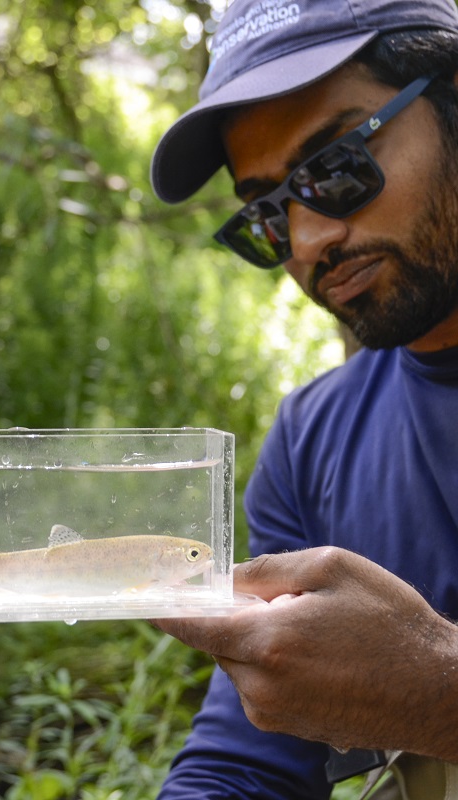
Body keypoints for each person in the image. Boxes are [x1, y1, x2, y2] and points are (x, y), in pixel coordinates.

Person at [147, 0, 458, 797]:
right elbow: (247, 763)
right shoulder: (312, 438)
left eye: (338, 166)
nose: (310, 238)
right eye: (266, 216)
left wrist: (436, 691)